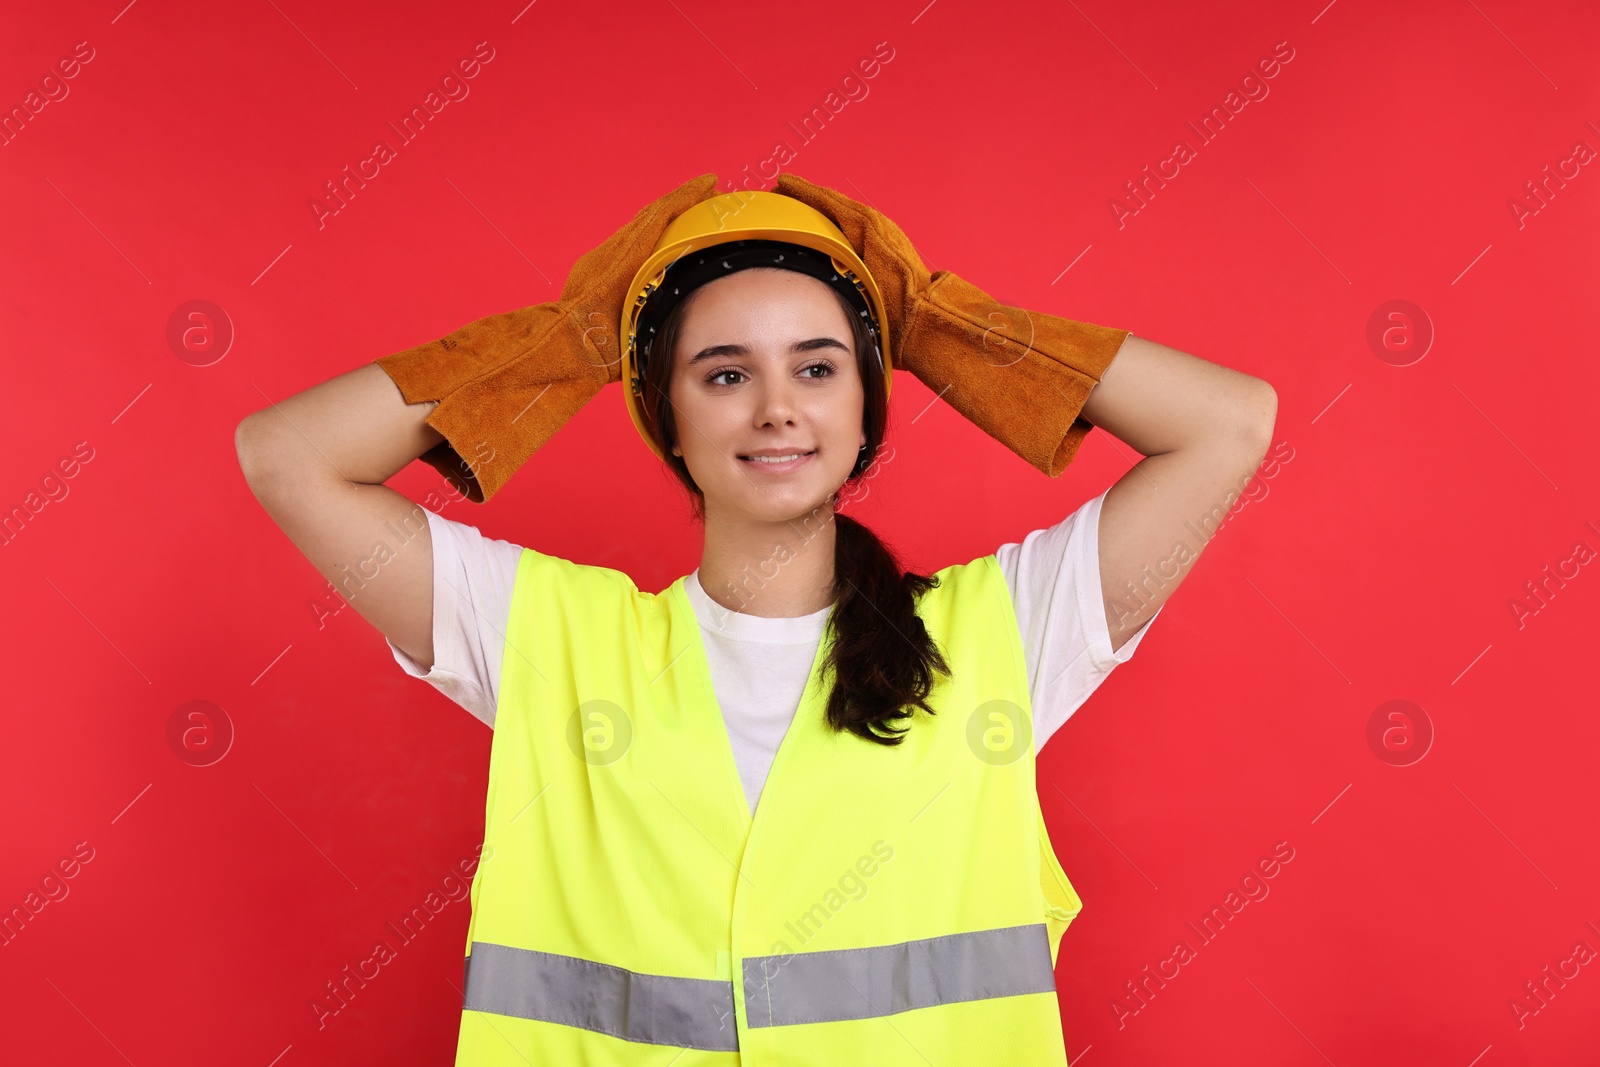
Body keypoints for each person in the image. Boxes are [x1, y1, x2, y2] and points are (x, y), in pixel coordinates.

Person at [235, 175, 1277, 1065]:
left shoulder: (1000, 632)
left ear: (865, 410)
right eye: (724, 373)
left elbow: (1227, 425)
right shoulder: (544, 635)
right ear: (669, 420)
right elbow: (289, 454)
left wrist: (932, 324)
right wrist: (569, 342)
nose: (776, 406)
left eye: (819, 368)